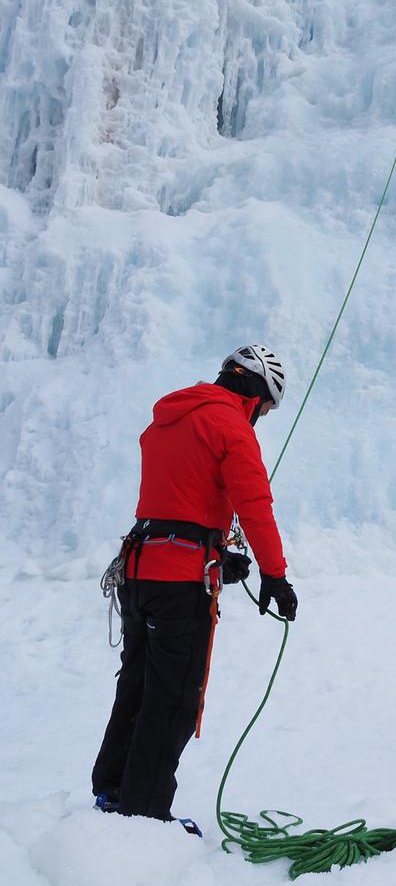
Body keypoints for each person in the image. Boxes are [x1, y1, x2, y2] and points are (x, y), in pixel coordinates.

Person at [92, 344, 297, 829]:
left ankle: (111, 789)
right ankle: (144, 816)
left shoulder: (167, 418)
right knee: (174, 698)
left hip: (139, 570)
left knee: (138, 684)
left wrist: (215, 553)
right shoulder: (231, 427)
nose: (260, 418)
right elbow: (254, 504)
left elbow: (177, 498)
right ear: (254, 389)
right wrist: (275, 575)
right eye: (265, 407)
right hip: (179, 585)